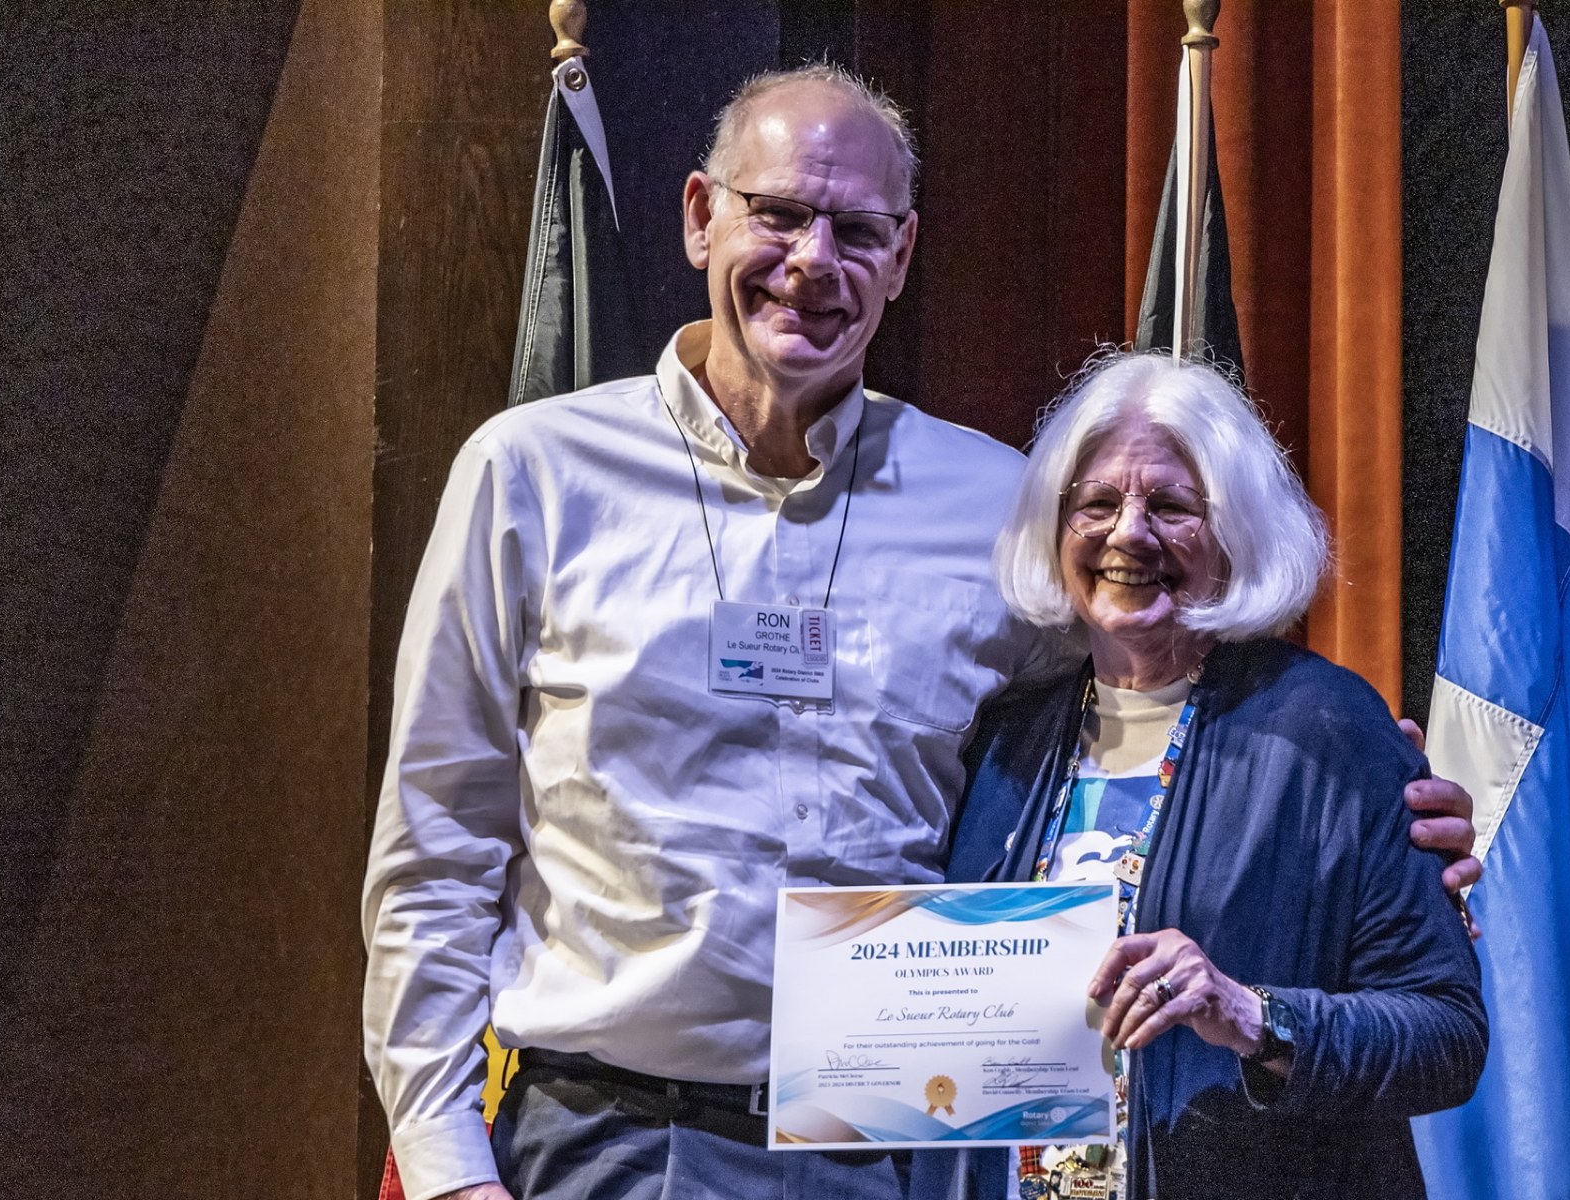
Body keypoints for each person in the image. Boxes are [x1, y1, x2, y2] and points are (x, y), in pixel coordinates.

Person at [362, 66, 1482, 1200]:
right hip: (620, 1139)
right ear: (701, 216)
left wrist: (1375, 799)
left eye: (857, 231)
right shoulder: (533, 475)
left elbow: (1155, 694)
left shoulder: (994, 505)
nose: (813, 262)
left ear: (901, 257)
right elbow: (435, 857)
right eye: (779, 213)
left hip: (902, 1145)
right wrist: (449, 1166)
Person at [918, 352, 1487, 1200]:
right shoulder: (1005, 738)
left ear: (1235, 535)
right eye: (1098, 503)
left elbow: (1446, 1035)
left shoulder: (1331, 732)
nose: (1128, 534)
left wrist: (1248, 1012)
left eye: (1171, 507)